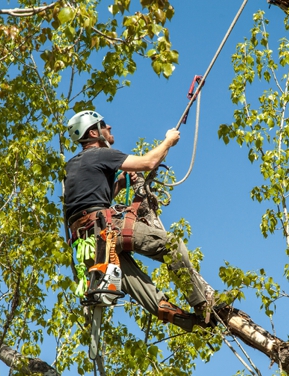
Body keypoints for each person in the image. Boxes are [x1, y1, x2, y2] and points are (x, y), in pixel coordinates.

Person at [64, 110, 215, 332]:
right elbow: (149, 162)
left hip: (87, 245)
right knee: (172, 246)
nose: (110, 128)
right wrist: (168, 141)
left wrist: (121, 185)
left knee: (140, 287)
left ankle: (193, 325)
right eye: (104, 125)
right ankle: (203, 304)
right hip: (105, 229)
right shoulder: (100, 154)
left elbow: (89, 200)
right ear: (94, 133)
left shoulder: (72, 166)